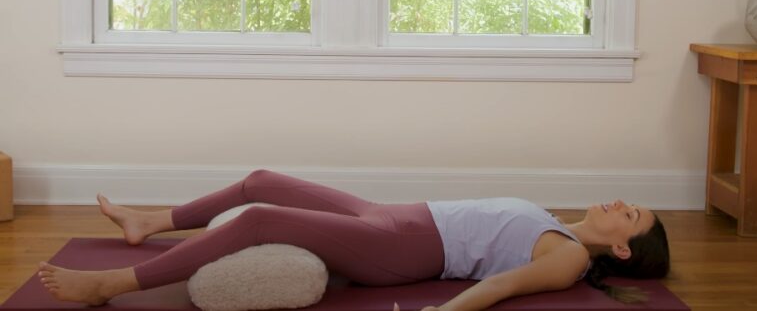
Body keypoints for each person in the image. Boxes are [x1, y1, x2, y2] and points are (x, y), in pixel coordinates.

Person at [37, 169, 670, 308]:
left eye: (631, 214)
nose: (621, 203)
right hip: (387, 214)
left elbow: (503, 284)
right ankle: (151, 222)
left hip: (401, 251)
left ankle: (109, 285)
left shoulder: (562, 257)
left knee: (259, 218)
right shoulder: (556, 222)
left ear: (621, 248)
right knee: (262, 180)